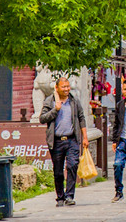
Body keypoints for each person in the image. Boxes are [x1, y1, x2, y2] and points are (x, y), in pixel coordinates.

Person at [39, 75, 88, 207]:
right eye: (64, 87)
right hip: (56, 141)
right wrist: (56, 109)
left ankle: (70, 195)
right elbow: (42, 118)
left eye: (68, 86)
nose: (66, 89)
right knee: (58, 171)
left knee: (72, 165)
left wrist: (85, 137)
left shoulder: (74, 101)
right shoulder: (50, 101)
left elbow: (81, 118)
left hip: (72, 139)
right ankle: (60, 196)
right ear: (57, 88)